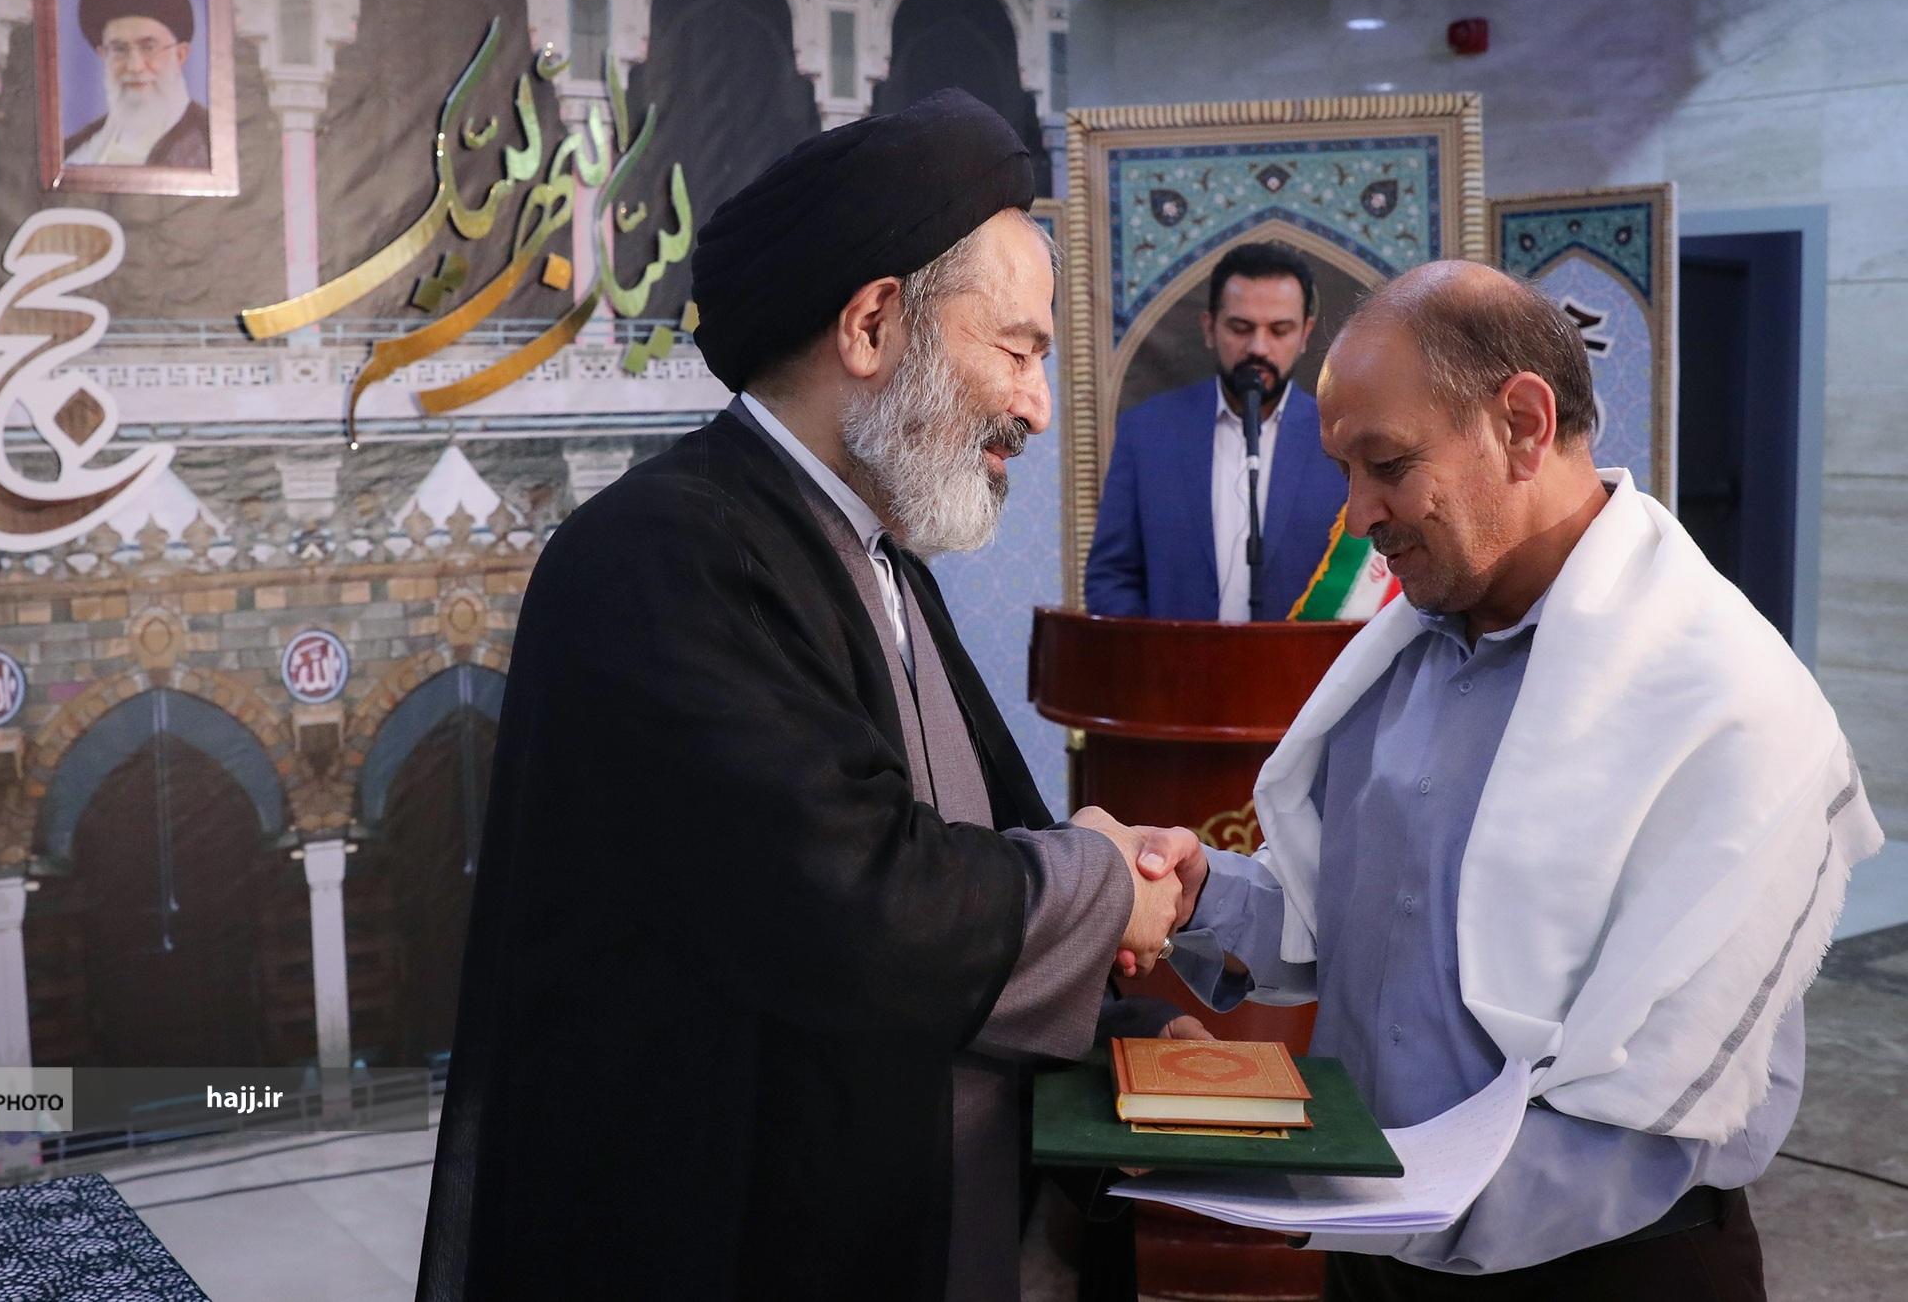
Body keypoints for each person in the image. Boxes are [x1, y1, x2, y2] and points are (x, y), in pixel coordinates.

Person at [417, 90, 1203, 1302]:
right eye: (1018, 350)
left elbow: (967, 868)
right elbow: (861, 910)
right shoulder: (666, 558)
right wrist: (1100, 883)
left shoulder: (877, 556)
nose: (1037, 407)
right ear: (873, 325)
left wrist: (1128, 1035)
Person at [1161, 260, 1884, 1299]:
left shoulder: (1724, 701)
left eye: (1387, 464)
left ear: (1523, 424)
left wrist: (1330, 1185)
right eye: (1344, 471)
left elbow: (1651, 1102)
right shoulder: (1401, 658)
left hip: (1606, 1266)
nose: (1357, 514)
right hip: (1383, 1242)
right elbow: (1346, 927)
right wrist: (1195, 890)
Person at [1085, 241, 1346, 620]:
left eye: (1279, 330)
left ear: (1305, 334)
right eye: (1240, 328)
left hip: (1307, 658)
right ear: (1210, 328)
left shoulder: (1339, 440)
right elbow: (1111, 578)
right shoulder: (1147, 431)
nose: (1259, 348)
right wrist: (1152, 650)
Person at [64, 0, 211, 169]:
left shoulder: (212, 142)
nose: (134, 66)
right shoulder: (75, 152)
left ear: (180, 55)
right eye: (119, 49)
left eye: (148, 47)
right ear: (103, 55)